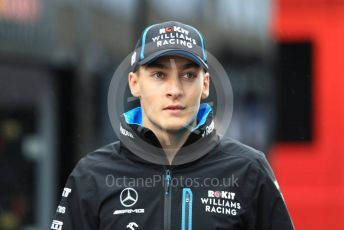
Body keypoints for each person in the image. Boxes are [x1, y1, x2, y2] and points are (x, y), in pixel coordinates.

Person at [51, 21, 294, 230]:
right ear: (135, 84)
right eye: (159, 75)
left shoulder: (249, 170)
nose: (175, 91)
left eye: (188, 76)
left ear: (206, 84)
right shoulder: (92, 175)